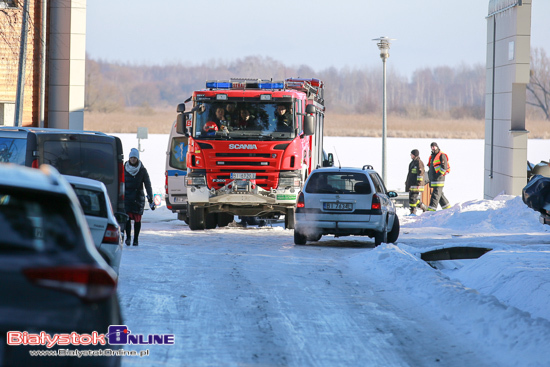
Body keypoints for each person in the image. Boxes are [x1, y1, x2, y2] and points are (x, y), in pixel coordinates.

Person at [124, 148, 155, 246]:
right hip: (127, 198)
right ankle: (128, 238)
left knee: (137, 219)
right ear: (129, 158)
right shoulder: (124, 168)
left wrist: (150, 198)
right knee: (127, 219)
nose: (133, 159)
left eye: (135, 158)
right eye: (131, 157)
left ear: (137, 158)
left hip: (138, 198)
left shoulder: (142, 170)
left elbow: (147, 185)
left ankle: (136, 239)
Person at [426, 142, 451, 211]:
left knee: (435, 195)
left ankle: (431, 210)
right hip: (434, 180)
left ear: (437, 147)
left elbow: (444, 168)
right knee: (440, 195)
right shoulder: (432, 156)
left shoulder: (441, 155)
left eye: (434, 146)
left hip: (439, 179)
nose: (433, 148)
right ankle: (447, 208)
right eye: (432, 147)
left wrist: (438, 175)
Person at [405, 149, 428, 215]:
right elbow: (410, 174)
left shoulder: (419, 163)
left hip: (416, 184)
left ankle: (413, 211)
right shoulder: (412, 163)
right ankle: (421, 206)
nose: (410, 156)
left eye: (411, 154)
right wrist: (407, 182)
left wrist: (419, 183)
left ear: (414, 155)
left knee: (413, 198)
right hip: (412, 184)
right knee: (412, 198)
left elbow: (421, 174)